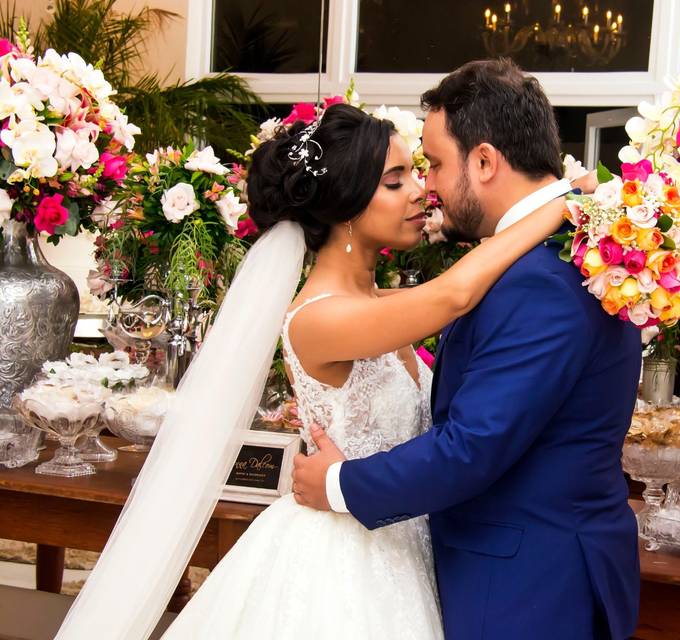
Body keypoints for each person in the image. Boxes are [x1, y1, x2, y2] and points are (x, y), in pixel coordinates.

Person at [56, 98, 590, 639]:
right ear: (345, 205)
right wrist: (558, 205)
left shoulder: (379, 303)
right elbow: (455, 293)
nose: (419, 192)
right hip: (344, 562)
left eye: (415, 174)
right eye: (395, 181)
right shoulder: (320, 318)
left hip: (400, 542)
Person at [292, 59, 643, 640]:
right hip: (509, 567)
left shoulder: (540, 275)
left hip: (526, 583)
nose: (426, 187)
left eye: (432, 164)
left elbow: (472, 446)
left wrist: (338, 484)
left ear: (483, 162)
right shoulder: (566, 252)